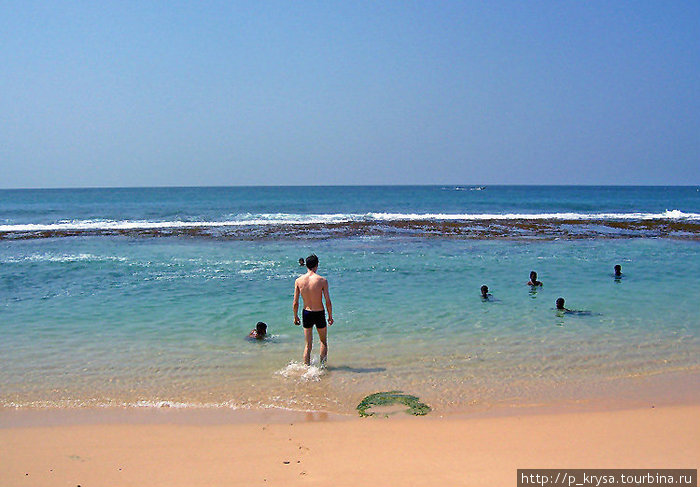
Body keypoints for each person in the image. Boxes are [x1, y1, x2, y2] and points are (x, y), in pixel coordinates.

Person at [293, 254, 333, 365]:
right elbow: (328, 301)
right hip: (319, 312)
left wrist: (295, 316)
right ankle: (323, 367)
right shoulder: (322, 280)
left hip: (306, 313)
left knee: (308, 345)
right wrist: (330, 316)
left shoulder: (298, 281)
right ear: (316, 265)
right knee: (323, 342)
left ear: (306, 265)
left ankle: (306, 368)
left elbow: (295, 302)